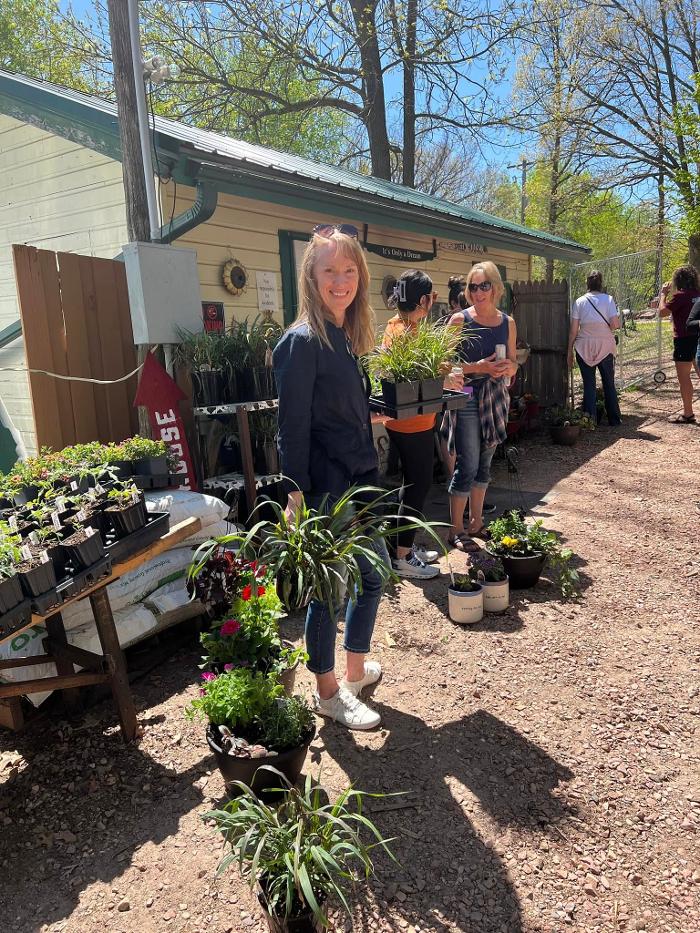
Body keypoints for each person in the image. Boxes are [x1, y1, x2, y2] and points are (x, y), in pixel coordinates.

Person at [273, 224, 386, 730]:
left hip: (357, 479)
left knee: (373, 575)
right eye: (329, 271)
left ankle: (355, 671)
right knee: (329, 588)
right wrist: (294, 492)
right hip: (325, 487)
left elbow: (340, 407)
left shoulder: (343, 336)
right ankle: (326, 690)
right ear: (311, 277)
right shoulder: (301, 342)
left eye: (349, 270)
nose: (340, 280)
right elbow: (291, 425)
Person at [380, 270, 462, 580]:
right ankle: (402, 557)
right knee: (418, 486)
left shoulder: (396, 325)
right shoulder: (410, 333)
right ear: (424, 300)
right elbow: (423, 373)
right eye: (429, 299)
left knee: (409, 485)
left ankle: (402, 544)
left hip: (402, 422)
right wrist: (447, 374)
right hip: (413, 424)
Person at [447, 262, 517, 552]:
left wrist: (506, 369)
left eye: (483, 285)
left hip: (495, 397)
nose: (478, 292)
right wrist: (480, 367)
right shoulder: (459, 321)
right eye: (473, 286)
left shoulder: (507, 323)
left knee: (486, 463)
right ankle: (456, 530)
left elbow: (514, 362)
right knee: (468, 463)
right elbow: (442, 364)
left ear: (496, 288)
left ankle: (476, 523)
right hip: (466, 396)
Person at [567, 270, 622, 426]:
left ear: (587, 284)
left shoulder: (579, 302)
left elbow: (573, 330)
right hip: (605, 346)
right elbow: (615, 324)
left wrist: (569, 351)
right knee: (608, 383)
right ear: (601, 283)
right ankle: (614, 419)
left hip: (584, 347)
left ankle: (590, 420)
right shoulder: (609, 299)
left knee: (589, 385)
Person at [658, 265, 700, 424]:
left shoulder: (680, 296)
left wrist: (663, 295)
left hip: (683, 339)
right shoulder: (698, 294)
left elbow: (662, 312)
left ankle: (688, 413)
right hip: (698, 337)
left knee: (684, 378)